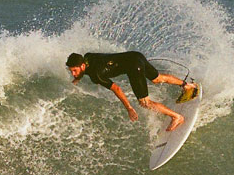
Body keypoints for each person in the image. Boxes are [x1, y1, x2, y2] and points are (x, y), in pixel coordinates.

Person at [66, 51, 198, 131]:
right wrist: (78, 77)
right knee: (157, 78)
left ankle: (177, 117)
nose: (73, 73)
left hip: (134, 68)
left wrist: (129, 108)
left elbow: (116, 89)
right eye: (71, 71)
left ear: (82, 65)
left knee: (145, 103)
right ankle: (187, 85)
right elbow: (92, 66)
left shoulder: (97, 75)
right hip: (135, 56)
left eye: (75, 71)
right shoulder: (88, 57)